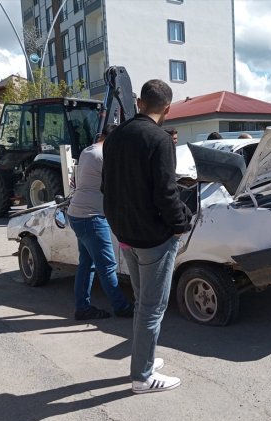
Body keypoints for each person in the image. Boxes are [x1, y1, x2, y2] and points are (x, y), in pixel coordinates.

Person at [103, 79, 192, 394]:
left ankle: (145, 359)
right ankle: (142, 376)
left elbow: (108, 186)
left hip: (124, 233)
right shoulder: (160, 140)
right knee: (152, 307)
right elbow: (166, 193)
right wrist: (180, 224)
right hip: (153, 237)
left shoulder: (114, 138)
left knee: (143, 303)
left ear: (139, 102)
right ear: (167, 108)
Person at [67, 124, 134, 320]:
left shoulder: (88, 150)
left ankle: (82, 307)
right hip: (91, 217)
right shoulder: (104, 155)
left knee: (87, 264)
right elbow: (118, 186)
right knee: (107, 265)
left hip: (77, 214)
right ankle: (121, 307)